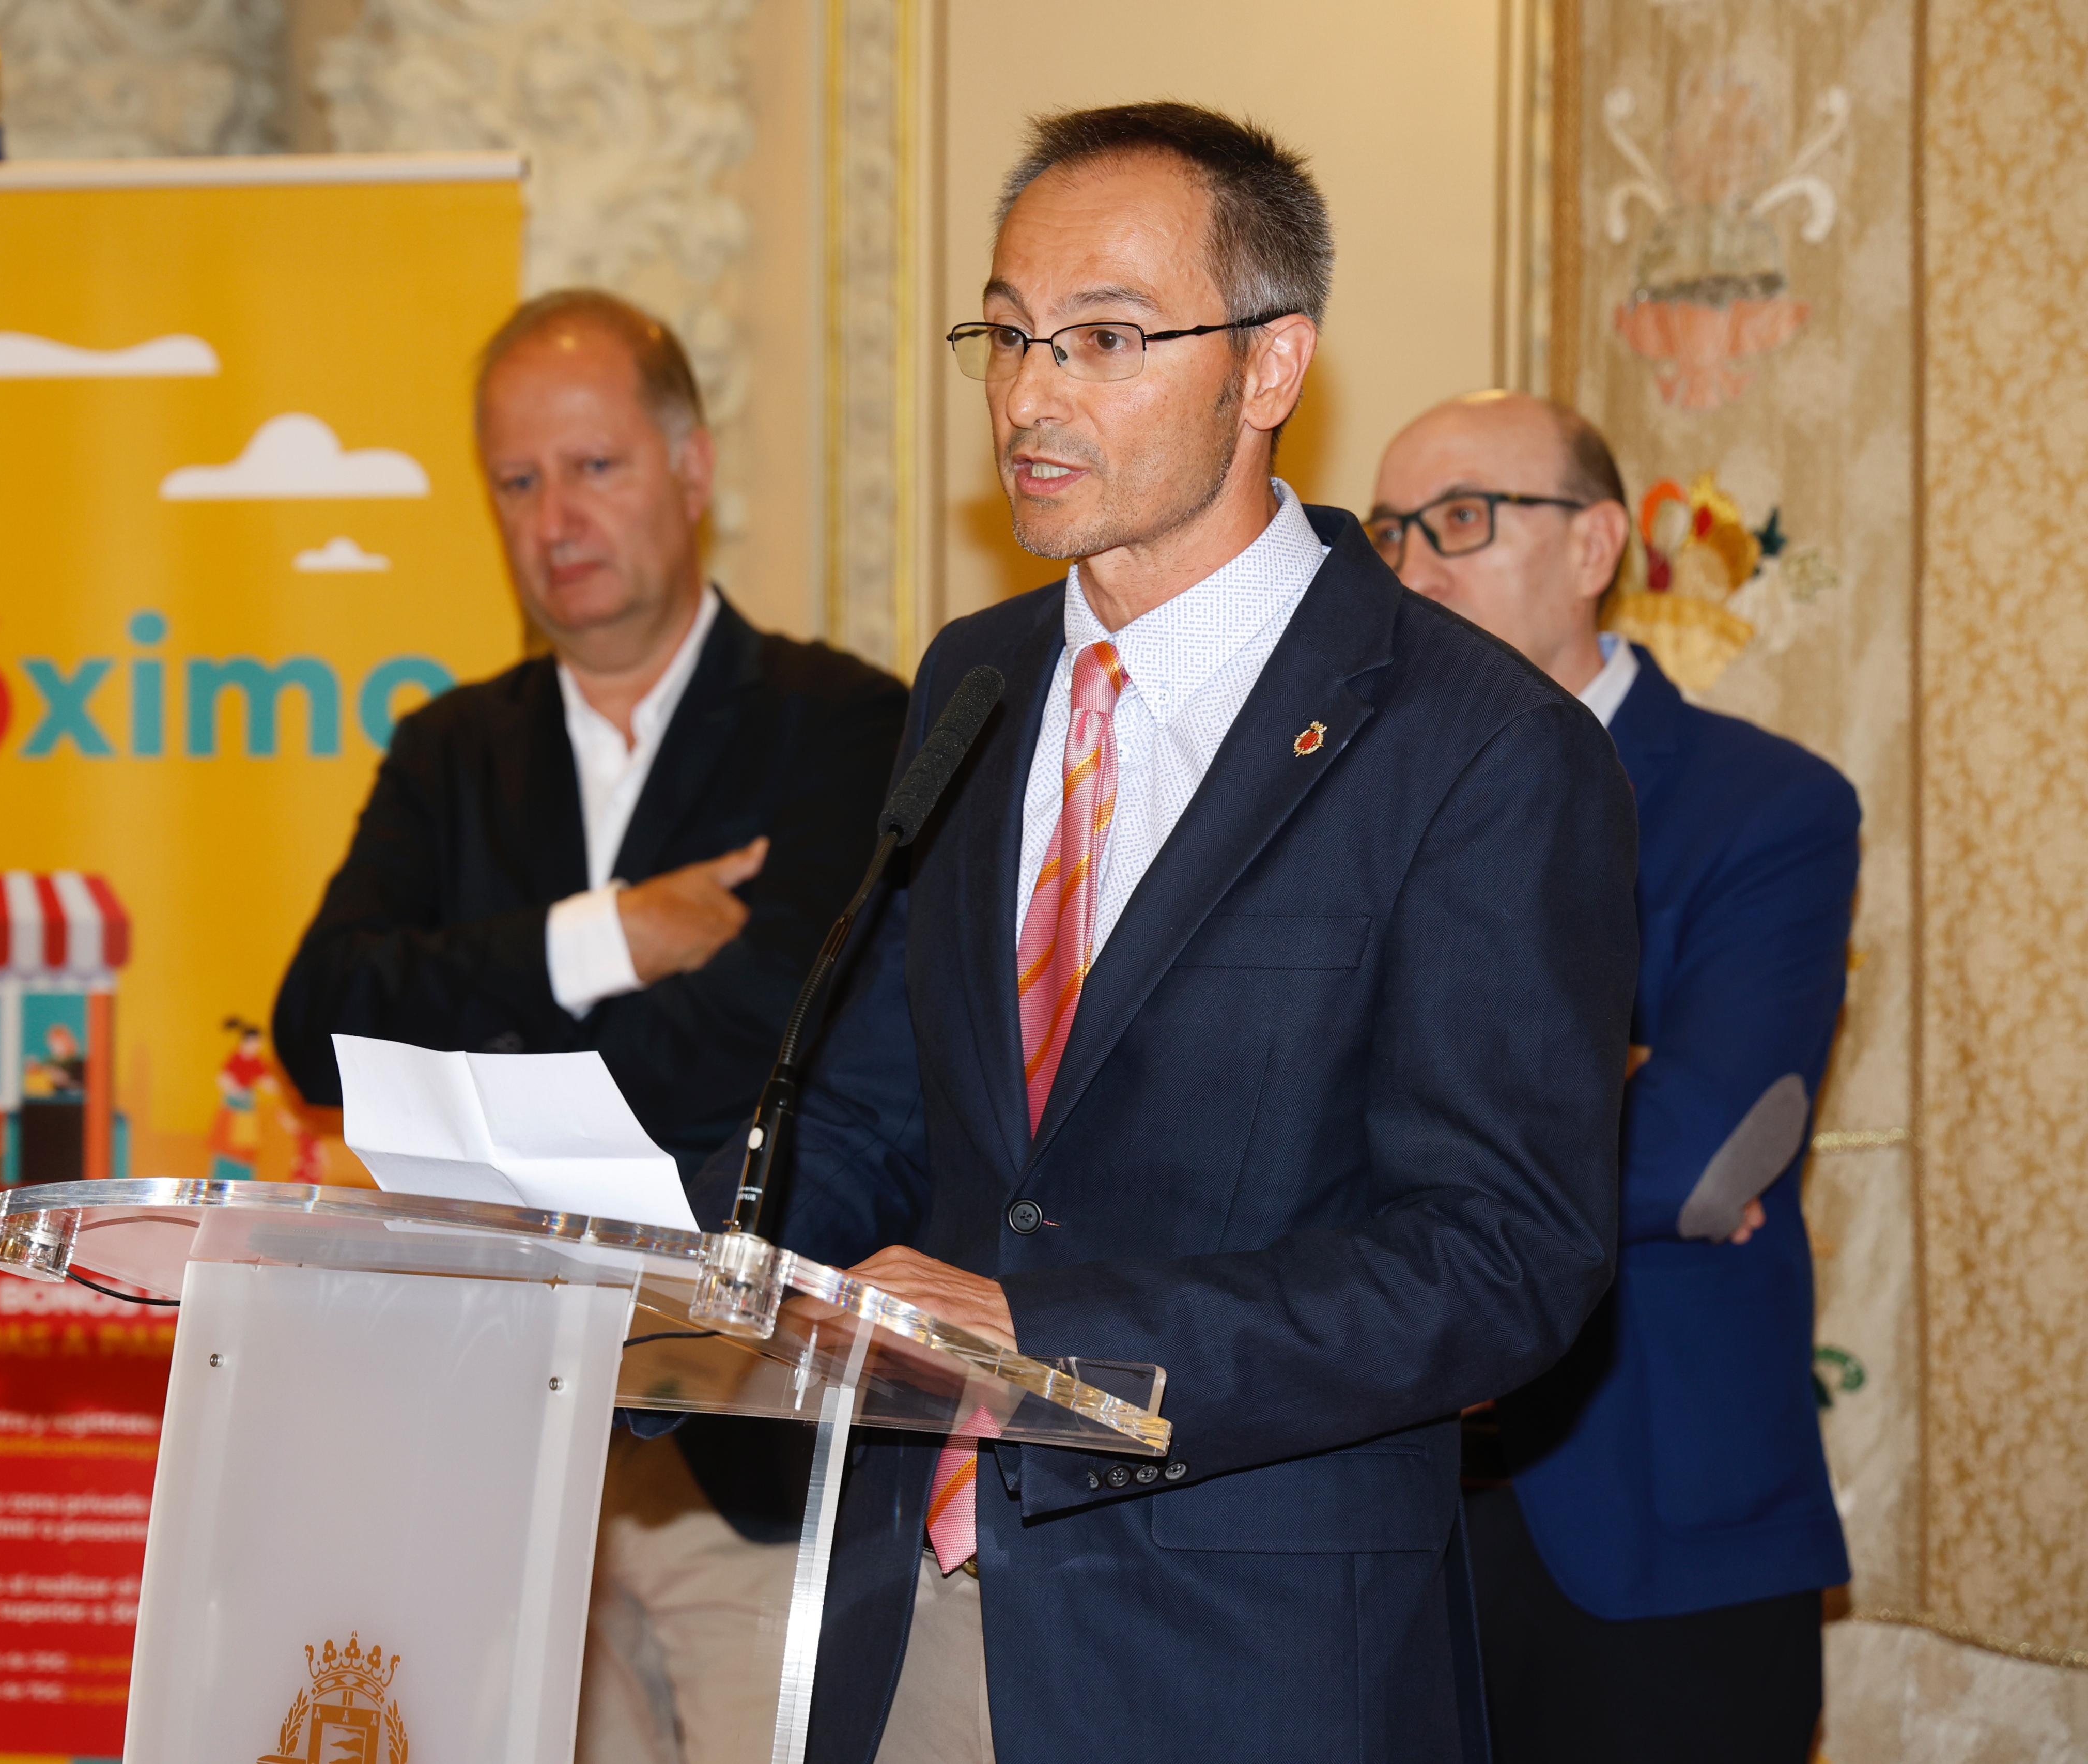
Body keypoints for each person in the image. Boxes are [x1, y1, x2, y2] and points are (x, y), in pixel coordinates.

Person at [707, 102, 1638, 1762]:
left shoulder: (1478, 748)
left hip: (1244, 1662)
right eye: (1006, 335)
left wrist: (1050, 1340)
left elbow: (1502, 1257)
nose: (1028, 397)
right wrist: (651, 1253)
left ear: (1272, 365)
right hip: (915, 1619)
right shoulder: (976, 679)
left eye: (1104, 340)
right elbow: (882, 1117)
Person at [271, 288, 909, 1764]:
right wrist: (601, 936)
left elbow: (783, 1034)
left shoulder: (846, 725)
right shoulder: (451, 750)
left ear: (692, 469)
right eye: (517, 480)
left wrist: (473, 1072)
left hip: (741, 1445)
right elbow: (320, 1020)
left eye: (595, 466)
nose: (555, 517)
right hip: (487, 1444)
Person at [1371, 391, 1855, 1763]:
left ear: (1595, 547)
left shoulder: (1764, 804)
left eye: (1463, 520)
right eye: (1390, 532)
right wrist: (1586, 1095)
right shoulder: (1341, 807)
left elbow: (1704, 1151)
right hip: (1384, 1522)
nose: (1414, 567)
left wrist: (1395, 1149)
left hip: (1658, 1521)